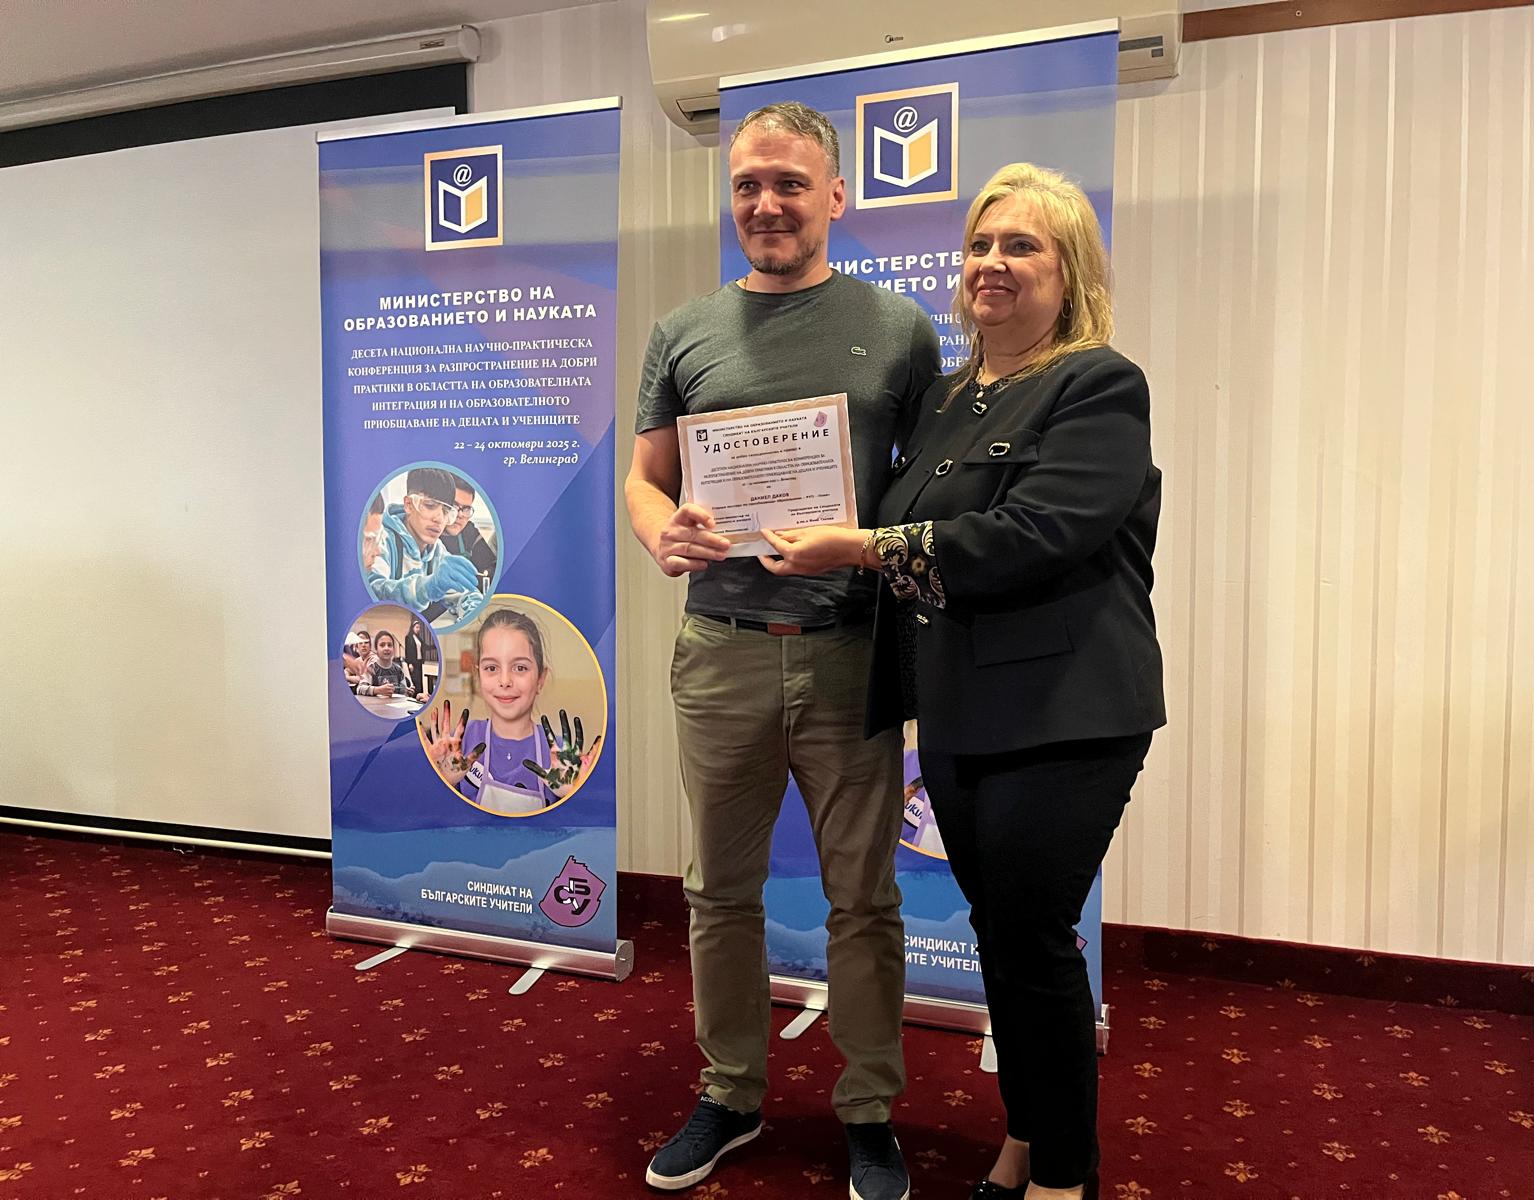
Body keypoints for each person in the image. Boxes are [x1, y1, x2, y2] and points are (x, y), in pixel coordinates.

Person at [756, 163, 1165, 1200]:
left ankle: (1063, 1175)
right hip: (961, 711)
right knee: (1003, 935)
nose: (992, 262)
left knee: (1032, 938)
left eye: (1021, 246)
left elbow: (1035, 534)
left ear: (1070, 273)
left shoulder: (1098, 384)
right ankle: (1027, 1136)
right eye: (980, 244)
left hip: (1068, 712)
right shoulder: (946, 397)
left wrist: (857, 547)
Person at [625, 100, 939, 1200]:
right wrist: (658, 528)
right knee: (720, 893)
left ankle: (868, 1110)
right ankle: (731, 1093)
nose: (766, 204)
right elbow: (645, 475)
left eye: (790, 183)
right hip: (722, 652)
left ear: (836, 195)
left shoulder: (899, 329)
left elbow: (926, 486)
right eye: (748, 184)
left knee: (864, 898)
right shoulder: (684, 331)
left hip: (850, 650)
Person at [423, 608, 598, 815]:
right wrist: (441, 784)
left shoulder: (560, 755)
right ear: (478, 676)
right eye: (491, 668)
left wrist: (572, 795)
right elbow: (432, 822)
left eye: (520, 668)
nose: (505, 681)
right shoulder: (459, 744)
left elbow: (581, 827)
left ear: (540, 679)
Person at [366, 467, 484, 627]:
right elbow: (375, 592)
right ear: (408, 504)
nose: (439, 519)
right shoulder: (382, 540)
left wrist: (475, 612)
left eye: (446, 511)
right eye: (430, 505)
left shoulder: (437, 549)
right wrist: (427, 587)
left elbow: (463, 592)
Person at [438, 474, 498, 582]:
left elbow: (492, 568)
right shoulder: (426, 535)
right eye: (454, 506)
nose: (460, 515)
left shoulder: (469, 531)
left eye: (466, 509)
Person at [355, 630, 420, 700]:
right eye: (382, 645)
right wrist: (378, 690)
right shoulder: (371, 668)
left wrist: (407, 692)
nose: (386, 648)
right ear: (376, 649)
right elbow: (359, 689)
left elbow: (402, 691)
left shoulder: (398, 670)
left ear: (393, 649)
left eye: (389, 645)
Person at [404, 618, 431, 701]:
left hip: (419, 662)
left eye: (419, 627)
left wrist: (435, 647)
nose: (418, 629)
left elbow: (425, 646)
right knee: (415, 680)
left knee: (420, 680)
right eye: (416, 627)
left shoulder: (418, 638)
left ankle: (419, 696)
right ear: (412, 628)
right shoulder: (408, 637)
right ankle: (414, 697)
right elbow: (408, 651)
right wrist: (409, 663)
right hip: (413, 663)